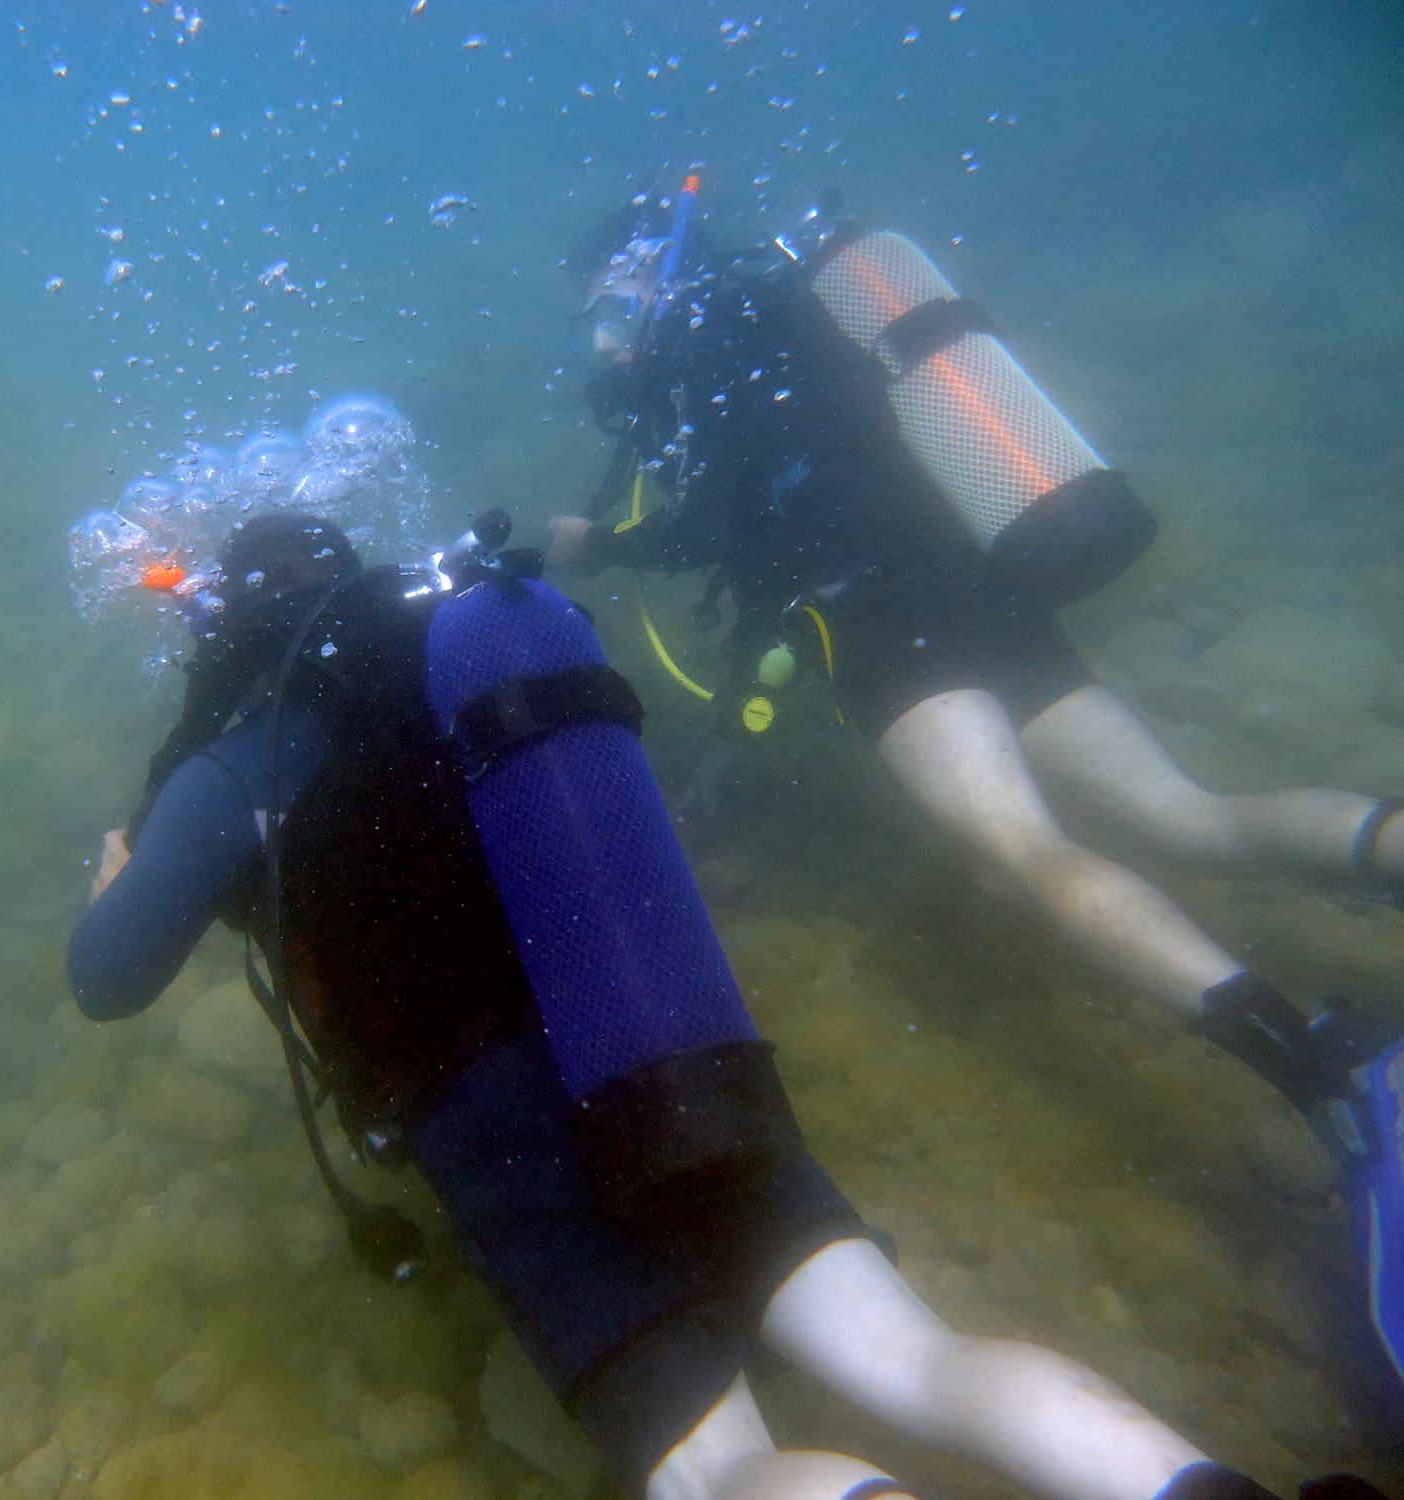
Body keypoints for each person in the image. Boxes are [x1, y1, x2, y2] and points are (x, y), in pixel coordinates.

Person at [68, 511, 1378, 1500]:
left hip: (498, 1122)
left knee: (725, 1468)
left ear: (229, 632)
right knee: (915, 1357)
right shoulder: (467, 655)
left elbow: (107, 979)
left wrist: (119, 878)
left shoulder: (239, 760)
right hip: (661, 1035)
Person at [545, 181, 1404, 1392]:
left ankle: (1320, 1075)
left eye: (600, 302)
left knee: (1021, 849)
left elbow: (725, 518)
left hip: (879, 618)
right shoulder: (799, 306)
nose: (598, 329)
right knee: (1183, 812)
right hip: (975, 573)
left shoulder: (697, 353)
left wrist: (604, 543)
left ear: (638, 275)